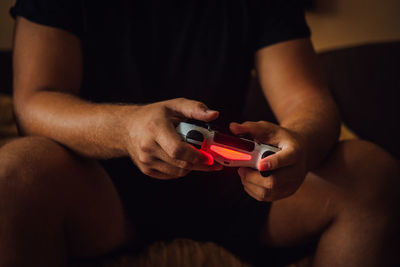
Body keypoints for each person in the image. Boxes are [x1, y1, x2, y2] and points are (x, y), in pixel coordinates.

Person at [1, 0, 399, 266]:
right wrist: (126, 128)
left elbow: (309, 102)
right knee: (15, 170)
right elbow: (34, 102)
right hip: (99, 193)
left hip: (233, 190)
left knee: (371, 173)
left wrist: (301, 146)